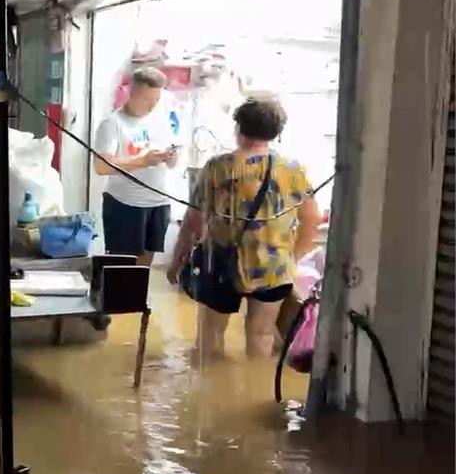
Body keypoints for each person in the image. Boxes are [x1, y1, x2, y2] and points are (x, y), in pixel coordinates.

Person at [167, 96, 320, 359]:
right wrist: (291, 259)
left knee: (210, 333)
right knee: (261, 333)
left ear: (238, 127)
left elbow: (193, 219)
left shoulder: (218, 167)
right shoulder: (293, 170)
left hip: (221, 264)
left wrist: (177, 260)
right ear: (277, 133)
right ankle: (252, 394)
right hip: (273, 268)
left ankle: (209, 395)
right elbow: (312, 220)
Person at [94, 67, 178, 265]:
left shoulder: (160, 117)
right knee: (123, 267)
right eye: (147, 100)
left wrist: (172, 158)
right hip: (126, 204)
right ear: (132, 94)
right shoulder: (113, 123)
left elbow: (170, 155)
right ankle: (119, 296)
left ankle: (138, 296)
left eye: (156, 99)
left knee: (144, 264)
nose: (152, 106)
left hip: (159, 202)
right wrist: (143, 161)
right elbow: (101, 167)